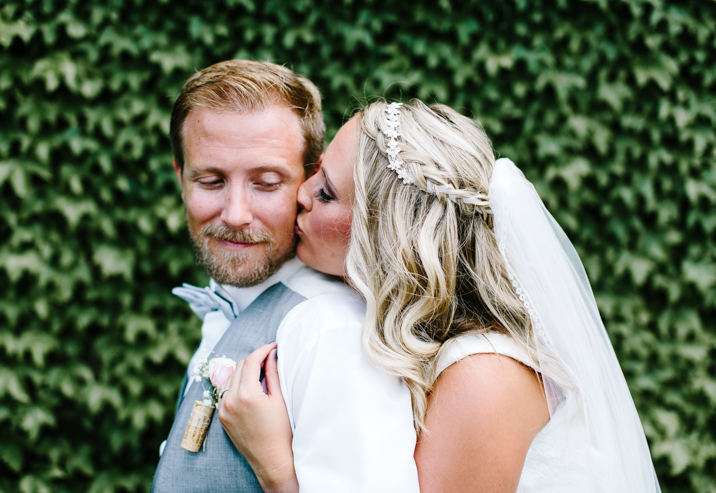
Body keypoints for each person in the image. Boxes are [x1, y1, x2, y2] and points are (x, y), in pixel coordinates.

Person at [219, 100, 661, 492]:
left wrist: (277, 470)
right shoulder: (433, 347)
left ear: (386, 237)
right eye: (316, 172)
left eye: (328, 192)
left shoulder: (483, 378)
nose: (301, 193)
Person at [151, 61, 419, 493]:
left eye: (266, 183)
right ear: (182, 177)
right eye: (212, 180)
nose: (236, 214)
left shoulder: (328, 331)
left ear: (311, 177)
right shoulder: (238, 305)